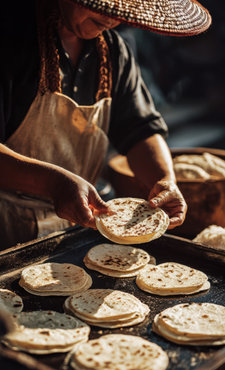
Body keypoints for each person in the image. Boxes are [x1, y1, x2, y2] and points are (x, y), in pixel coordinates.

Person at [0, 0, 211, 250]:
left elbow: (140, 129)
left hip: (77, 232)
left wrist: (164, 180)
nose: (111, 20)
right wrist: (54, 184)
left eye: (121, 12)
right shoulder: (10, 41)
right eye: (105, 6)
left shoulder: (112, 51)